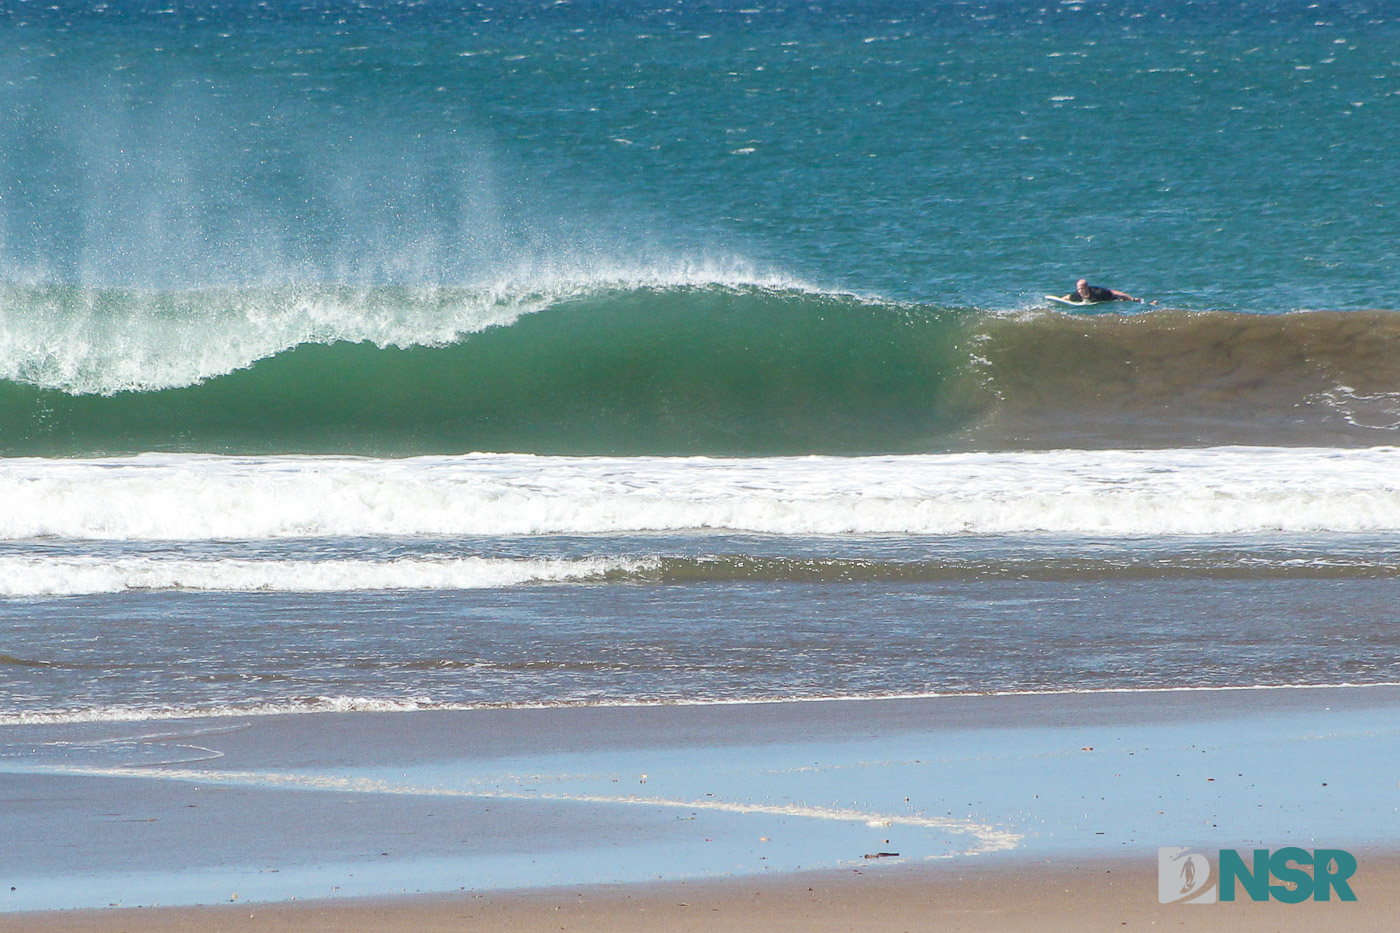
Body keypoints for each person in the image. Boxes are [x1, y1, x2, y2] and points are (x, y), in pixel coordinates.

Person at [1061, 278, 1152, 304]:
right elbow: (1068, 297)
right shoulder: (1077, 294)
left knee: (1121, 300)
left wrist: (1130, 298)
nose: (1080, 290)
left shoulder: (1098, 292)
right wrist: (1060, 300)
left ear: (1087, 287)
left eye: (1082, 288)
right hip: (1095, 302)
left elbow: (1113, 292)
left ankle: (1148, 303)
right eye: (1078, 288)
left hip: (1110, 299)